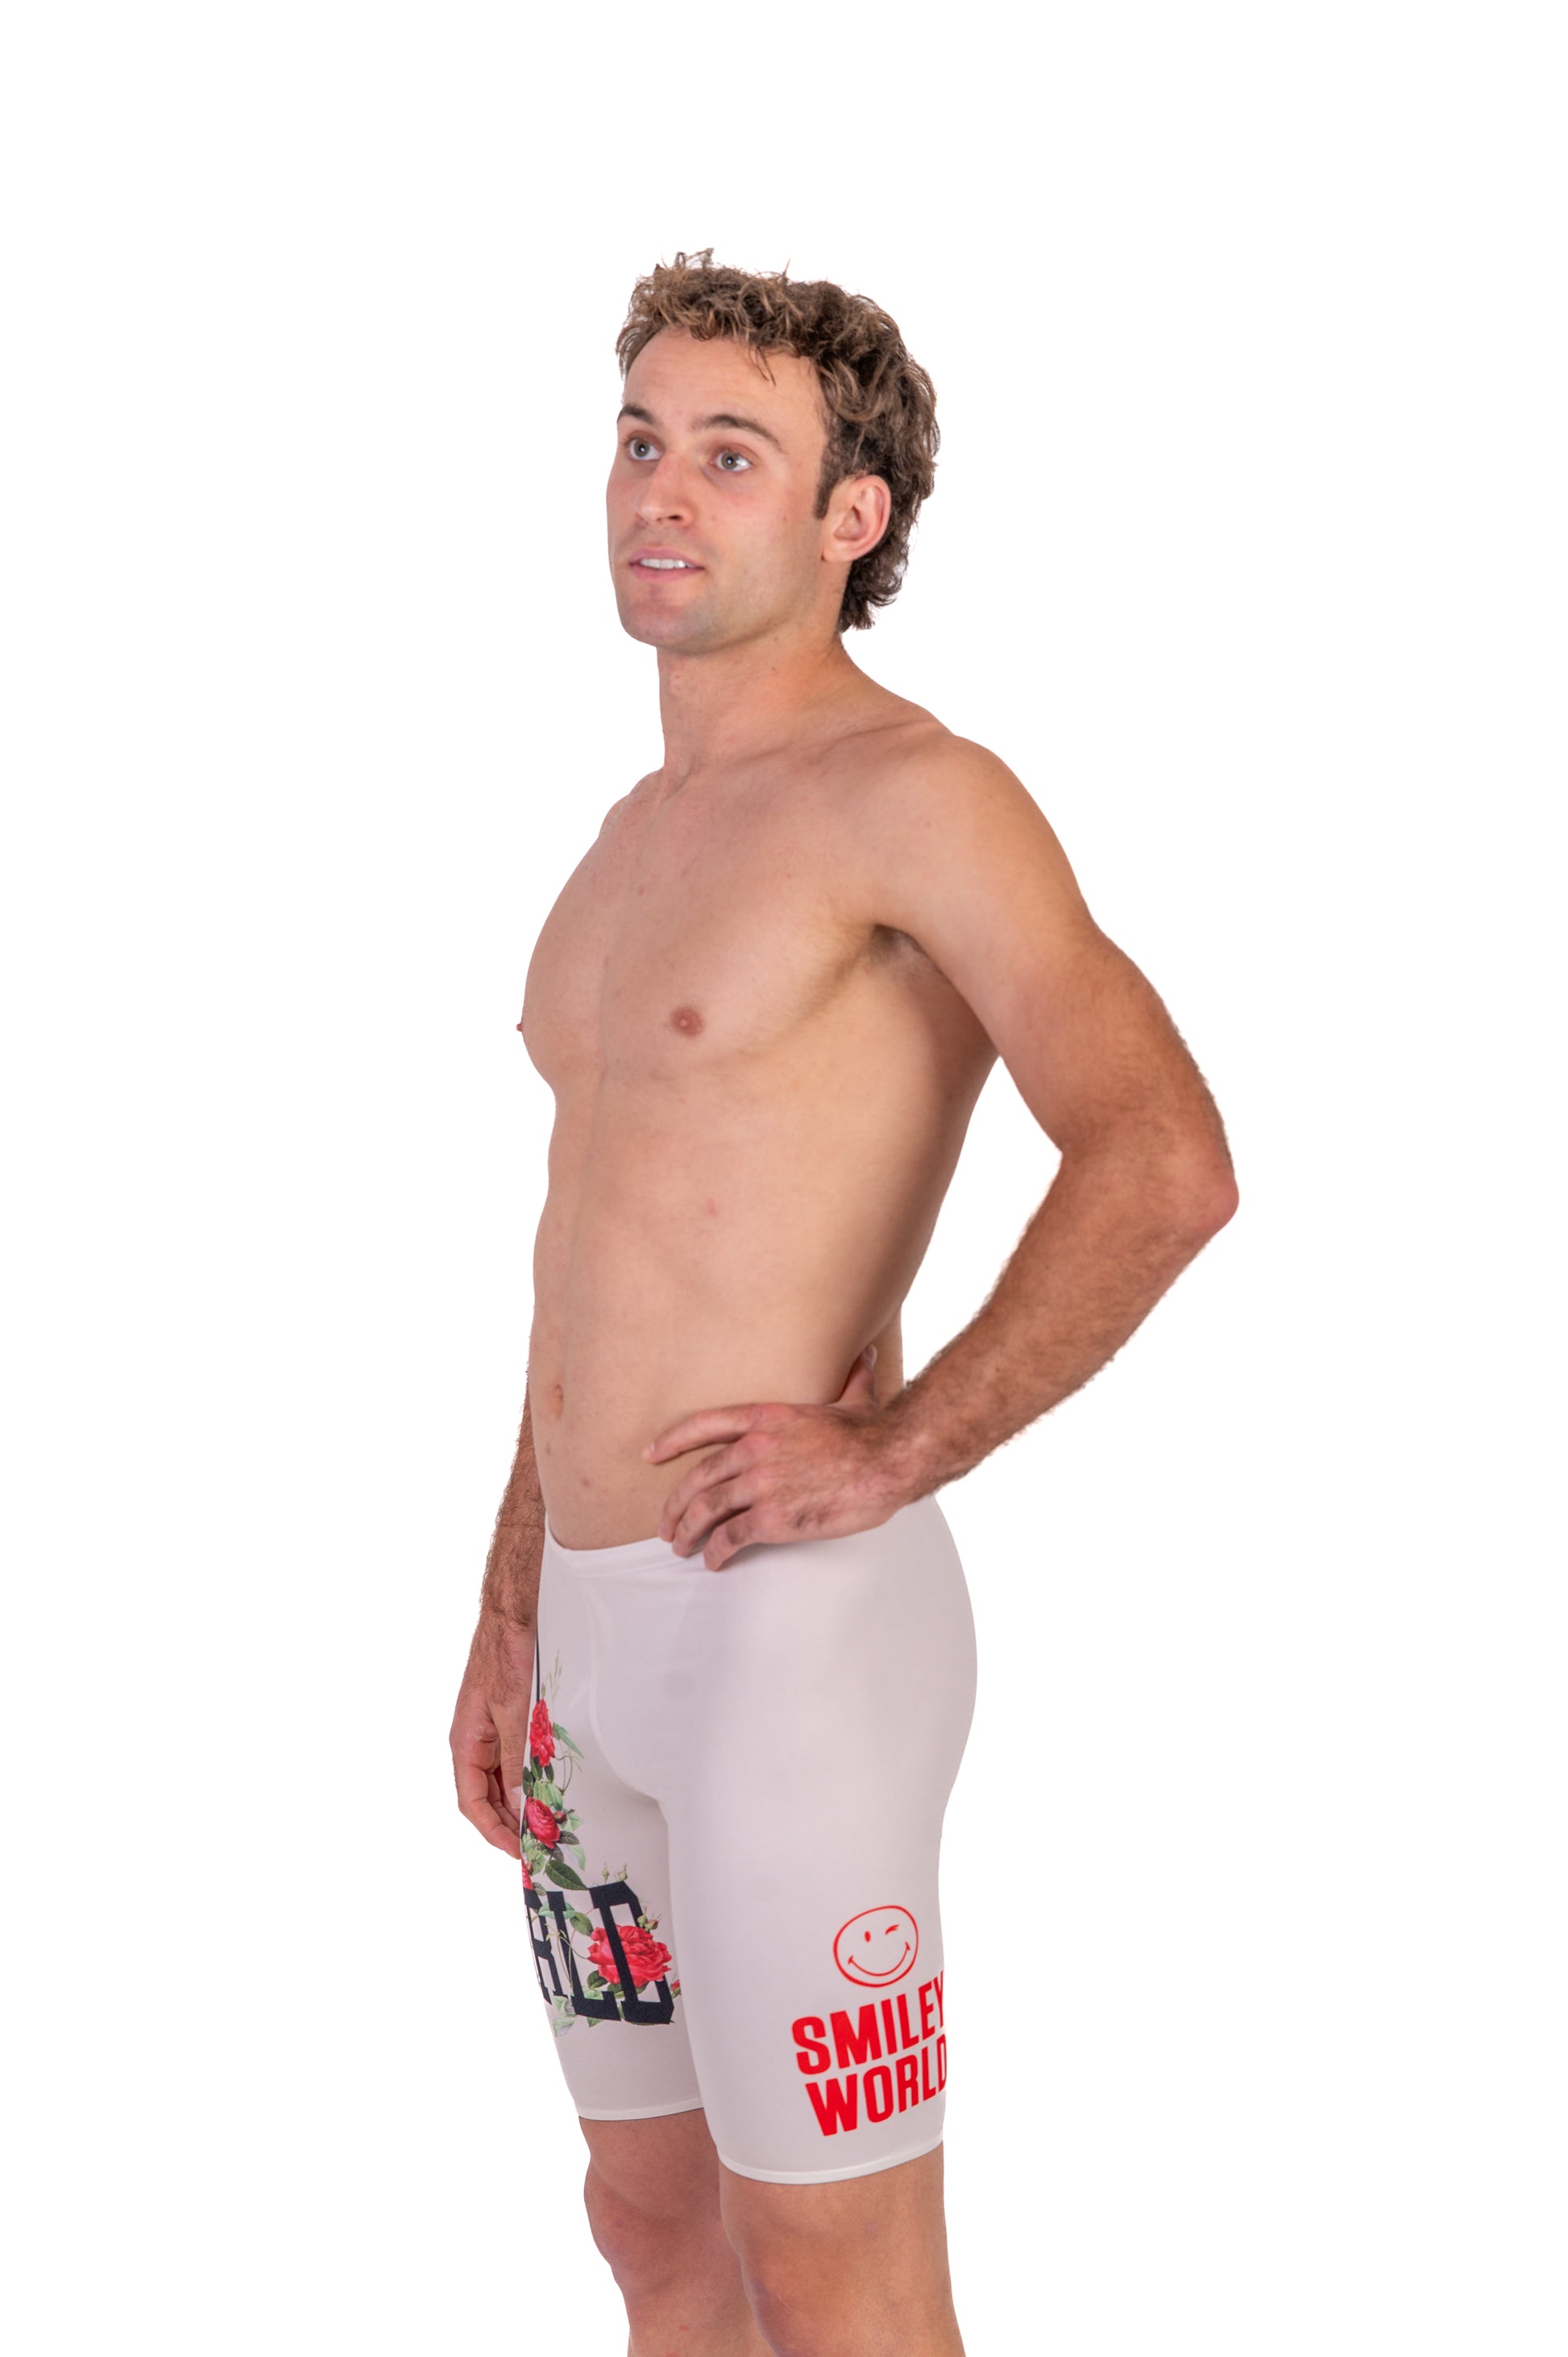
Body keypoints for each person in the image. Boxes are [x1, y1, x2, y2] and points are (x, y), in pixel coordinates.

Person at [450, 251, 1238, 2357]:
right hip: (591, 1645)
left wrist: (894, 1447)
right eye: (641, 438)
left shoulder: (917, 798)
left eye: (732, 455)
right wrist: (515, 1603)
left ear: (848, 518)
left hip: (785, 1640)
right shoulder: (625, 843)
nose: (660, 490)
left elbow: (1164, 1156)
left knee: (835, 2271)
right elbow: (591, 1248)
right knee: (649, 2225)